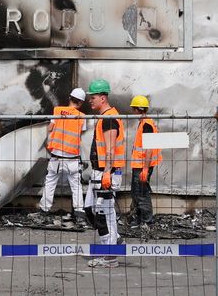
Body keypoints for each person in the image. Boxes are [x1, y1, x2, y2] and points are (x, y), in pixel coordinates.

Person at [83, 79, 124, 268]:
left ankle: (109, 256)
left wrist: (107, 172)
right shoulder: (105, 117)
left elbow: (110, 149)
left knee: (103, 214)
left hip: (106, 172)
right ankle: (113, 240)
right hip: (99, 172)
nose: (90, 101)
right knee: (91, 209)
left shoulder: (109, 119)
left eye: (93, 97)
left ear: (102, 97)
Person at [36, 87, 87, 225]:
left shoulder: (57, 111)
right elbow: (80, 134)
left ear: (69, 98)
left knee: (50, 183)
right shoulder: (82, 117)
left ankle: (44, 210)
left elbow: (50, 128)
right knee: (76, 186)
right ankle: (79, 213)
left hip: (56, 156)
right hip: (72, 158)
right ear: (81, 103)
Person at [128, 95, 162, 226]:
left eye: (133, 109)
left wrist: (145, 170)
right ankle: (139, 219)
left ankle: (147, 221)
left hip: (143, 166)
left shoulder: (146, 124)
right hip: (140, 165)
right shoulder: (145, 123)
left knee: (142, 194)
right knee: (137, 193)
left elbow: (148, 149)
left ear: (136, 110)